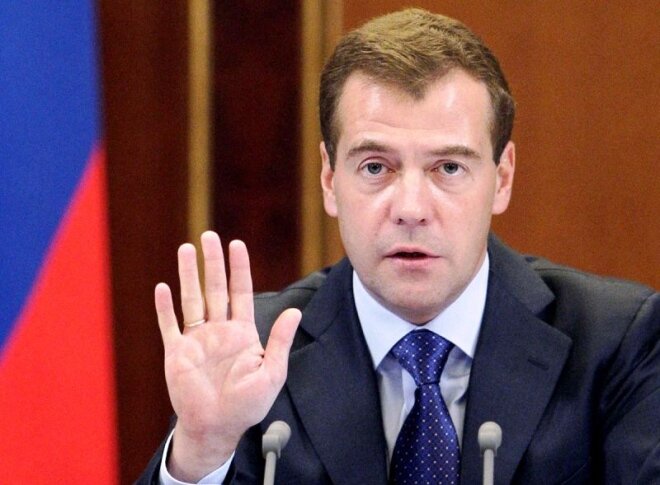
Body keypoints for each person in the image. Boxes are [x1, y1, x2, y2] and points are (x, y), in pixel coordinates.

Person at [138, 8, 659, 484]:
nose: (411, 207)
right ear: (329, 180)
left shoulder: (614, 341)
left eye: (448, 167)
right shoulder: (254, 352)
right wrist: (202, 450)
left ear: (502, 178)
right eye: (375, 167)